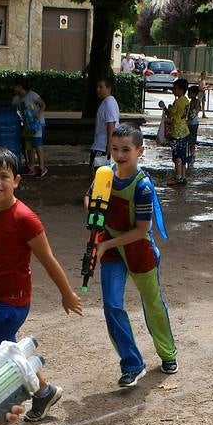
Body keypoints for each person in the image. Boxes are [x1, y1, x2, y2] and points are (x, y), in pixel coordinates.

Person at [0, 147, 82, 425]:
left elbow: (48, 259)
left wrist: (67, 294)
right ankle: (44, 392)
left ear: (17, 180)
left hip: (13, 302)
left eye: (4, 176)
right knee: (7, 352)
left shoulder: (25, 218)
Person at [88, 122, 178, 387]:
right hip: (111, 246)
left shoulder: (143, 187)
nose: (119, 154)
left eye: (126, 149)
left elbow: (141, 231)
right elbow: (90, 201)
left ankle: (167, 353)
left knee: (152, 303)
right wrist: (93, 206)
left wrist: (105, 245)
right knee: (112, 306)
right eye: (115, 149)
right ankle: (132, 364)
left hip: (138, 249)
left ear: (140, 151)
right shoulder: (103, 175)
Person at [11, 77, 47, 177]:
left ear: (20, 86)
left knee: (37, 144)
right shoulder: (16, 99)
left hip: (37, 124)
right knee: (29, 146)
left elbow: (43, 104)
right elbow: (11, 110)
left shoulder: (32, 95)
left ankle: (42, 167)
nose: (13, 88)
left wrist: (38, 114)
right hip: (27, 125)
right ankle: (31, 168)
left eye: (14, 86)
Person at [164, 78, 191, 185]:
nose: (173, 90)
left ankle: (178, 177)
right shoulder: (186, 101)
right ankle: (183, 176)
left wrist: (164, 107)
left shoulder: (178, 101)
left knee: (177, 156)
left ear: (180, 89)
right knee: (183, 156)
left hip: (177, 131)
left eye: (174, 88)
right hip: (184, 130)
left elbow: (170, 114)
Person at [89, 74, 119, 168]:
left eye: (101, 87)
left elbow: (111, 123)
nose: (98, 89)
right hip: (102, 145)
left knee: (98, 176)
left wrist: (109, 144)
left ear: (109, 88)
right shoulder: (108, 102)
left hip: (102, 147)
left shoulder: (108, 103)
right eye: (97, 87)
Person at [186, 83, 203, 172]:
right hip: (191, 123)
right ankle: (191, 154)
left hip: (193, 123)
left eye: (189, 93)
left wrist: (189, 118)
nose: (188, 95)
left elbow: (195, 112)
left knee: (192, 139)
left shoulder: (196, 102)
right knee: (190, 139)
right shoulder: (191, 102)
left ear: (194, 93)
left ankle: (192, 154)